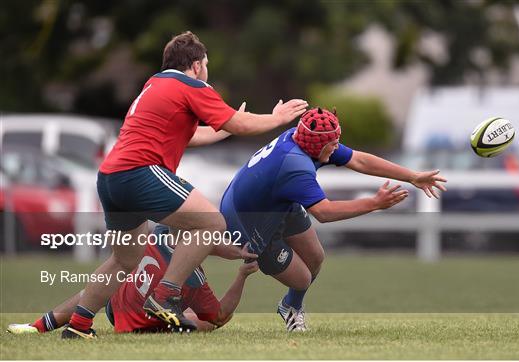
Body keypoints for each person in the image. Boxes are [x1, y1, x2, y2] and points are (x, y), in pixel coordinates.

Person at [63, 31, 308, 338]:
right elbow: (240, 123)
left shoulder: (154, 84)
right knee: (211, 222)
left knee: (124, 260)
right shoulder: (191, 84)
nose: (206, 70)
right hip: (140, 172)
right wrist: (276, 117)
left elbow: (189, 135)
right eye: (205, 64)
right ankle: (164, 295)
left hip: (111, 178)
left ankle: (78, 326)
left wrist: (225, 128)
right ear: (195, 65)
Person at [220, 107, 447, 331]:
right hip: (247, 221)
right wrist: (374, 204)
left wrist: (413, 176)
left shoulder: (304, 137)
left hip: (272, 202)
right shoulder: (295, 166)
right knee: (301, 279)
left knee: (315, 257)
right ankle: (289, 307)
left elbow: (359, 160)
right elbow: (325, 212)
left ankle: (290, 306)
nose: (337, 147)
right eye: (334, 143)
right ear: (319, 145)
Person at [8, 225, 259, 337]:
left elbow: (202, 243)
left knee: (93, 290)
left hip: (116, 304)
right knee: (204, 322)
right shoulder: (194, 280)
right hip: (141, 325)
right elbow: (221, 315)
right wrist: (242, 275)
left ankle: (37, 326)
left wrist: (238, 252)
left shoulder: (160, 233)